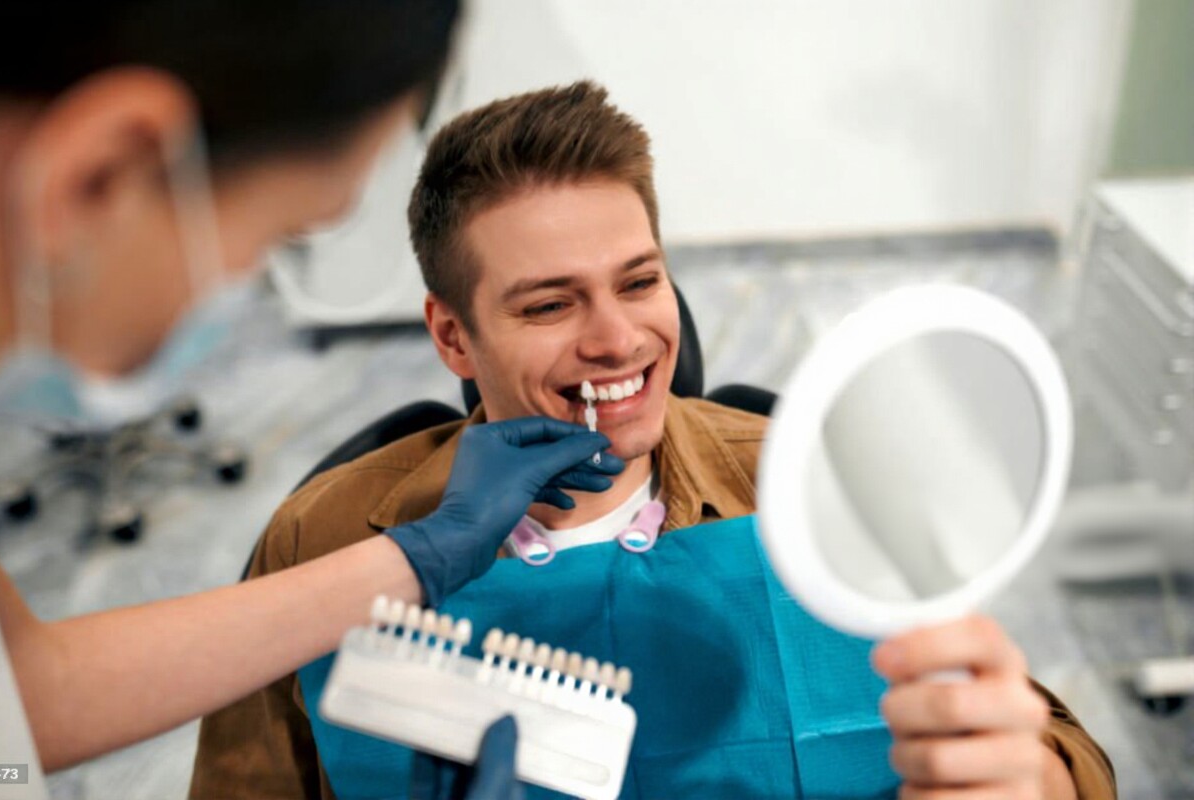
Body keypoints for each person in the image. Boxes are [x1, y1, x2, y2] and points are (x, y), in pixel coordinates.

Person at [192, 82, 1116, 800]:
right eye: (549, 305)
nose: (618, 340)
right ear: (453, 336)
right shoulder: (324, 541)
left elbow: (1061, 757)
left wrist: (1026, 776)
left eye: (639, 283)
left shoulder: (810, 487)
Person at [0, 4, 620, 796]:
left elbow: (3, 701)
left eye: (639, 280)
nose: (615, 339)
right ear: (100, 176)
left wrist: (417, 559)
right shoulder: (317, 521)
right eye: (280, 235)